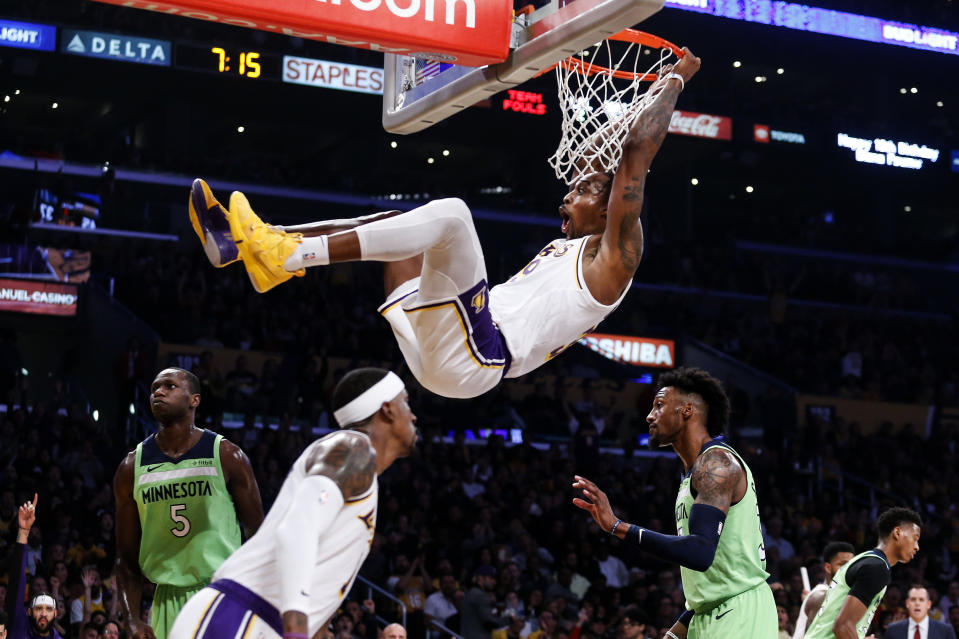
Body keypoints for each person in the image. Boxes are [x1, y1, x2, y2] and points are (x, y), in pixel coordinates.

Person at [187, 49, 701, 399]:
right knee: (399, 227)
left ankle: (283, 256)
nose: (567, 196)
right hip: (450, 344)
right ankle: (252, 247)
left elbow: (634, 154)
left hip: (478, 355)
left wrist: (674, 78)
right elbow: (605, 157)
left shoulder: (615, 259)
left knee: (453, 216)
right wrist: (621, 113)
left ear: (615, 207)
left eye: (582, 192)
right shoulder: (581, 244)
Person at [168, 367, 418, 639]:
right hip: (242, 615)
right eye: (406, 402)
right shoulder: (353, 449)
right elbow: (298, 529)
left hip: (262, 621)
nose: (413, 414)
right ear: (388, 410)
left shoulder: (361, 470)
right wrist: (297, 633)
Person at [572, 367, 777, 639]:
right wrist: (674, 634)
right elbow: (713, 579)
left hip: (740, 613)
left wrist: (618, 527)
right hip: (711, 615)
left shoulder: (717, 463)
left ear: (687, 410)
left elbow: (700, 553)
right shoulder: (692, 474)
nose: (649, 415)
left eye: (659, 405)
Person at [114, 367, 265, 639]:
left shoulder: (226, 455)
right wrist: (132, 618)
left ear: (194, 399)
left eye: (170, 386)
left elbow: (260, 536)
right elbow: (126, 559)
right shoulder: (131, 466)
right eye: (154, 389)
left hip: (223, 593)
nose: (158, 392)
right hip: (166, 599)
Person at [804, 507, 922, 639]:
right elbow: (842, 627)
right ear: (897, 532)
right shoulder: (877, 568)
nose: (917, 546)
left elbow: (840, 624)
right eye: (915, 538)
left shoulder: (864, 559)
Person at [3, 494, 62, 639]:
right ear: (29, 612)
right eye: (38, 609)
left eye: (48, 609)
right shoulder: (19, 626)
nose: (43, 613)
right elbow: (17, 581)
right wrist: (23, 532)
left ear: (55, 614)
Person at [794, 542, 856, 639]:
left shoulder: (835, 595)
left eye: (851, 565)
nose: (849, 569)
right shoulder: (821, 596)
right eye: (843, 564)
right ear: (828, 567)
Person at [884, 584, 957, 639]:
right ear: (907, 604)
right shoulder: (893, 629)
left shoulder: (946, 630)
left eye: (921, 600)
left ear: (929, 604)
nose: (917, 603)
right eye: (913, 600)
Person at [460, 565, 511, 639]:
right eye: (491, 578)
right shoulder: (479, 595)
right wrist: (510, 619)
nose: (494, 582)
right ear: (480, 578)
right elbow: (490, 622)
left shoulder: (471, 592)